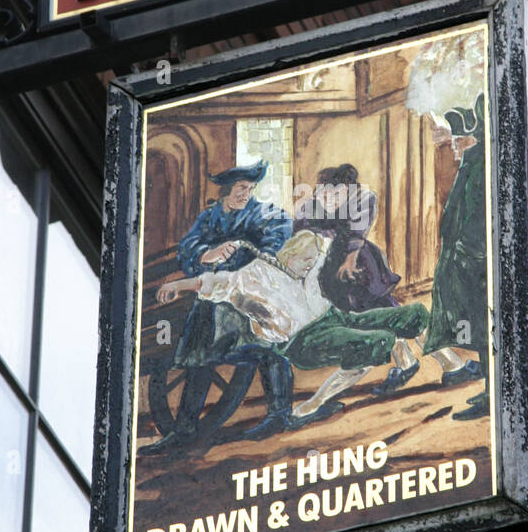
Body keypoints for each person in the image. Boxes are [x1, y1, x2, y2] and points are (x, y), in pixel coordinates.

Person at [160, 230, 430, 428]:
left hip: (333, 318)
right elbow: (212, 282)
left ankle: (439, 362)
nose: (310, 266)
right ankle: (311, 406)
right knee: (375, 341)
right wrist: (176, 286)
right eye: (305, 260)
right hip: (302, 341)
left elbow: (328, 245)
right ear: (290, 253)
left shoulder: (309, 267)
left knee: (408, 315)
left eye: (313, 260)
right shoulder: (255, 275)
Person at [139, 159, 293, 453]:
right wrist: (207, 254)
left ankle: (279, 412)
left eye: (250, 188)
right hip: (211, 296)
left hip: (246, 294)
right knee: (198, 358)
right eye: (240, 188)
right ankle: (183, 429)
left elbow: (278, 235)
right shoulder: (209, 218)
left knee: (262, 350)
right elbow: (189, 248)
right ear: (226, 191)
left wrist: (248, 251)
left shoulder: (262, 215)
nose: (245, 194)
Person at [295, 164, 420, 397]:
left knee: (383, 311)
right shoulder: (308, 209)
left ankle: (415, 362)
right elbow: (301, 235)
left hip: (360, 267)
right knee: (369, 317)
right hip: (330, 273)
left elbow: (356, 233)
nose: (330, 199)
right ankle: (409, 362)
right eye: (324, 193)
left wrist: (349, 256)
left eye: (337, 194)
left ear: (348, 193)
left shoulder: (360, 203)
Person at [424, 95, 490, 420]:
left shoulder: (478, 167)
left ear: (472, 138)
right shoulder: (469, 164)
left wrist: (466, 254)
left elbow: (477, 217)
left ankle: (493, 394)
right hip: (463, 263)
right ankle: (489, 392)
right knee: (476, 331)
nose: (453, 146)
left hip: (474, 266)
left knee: (483, 329)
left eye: (458, 140)